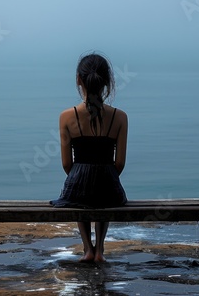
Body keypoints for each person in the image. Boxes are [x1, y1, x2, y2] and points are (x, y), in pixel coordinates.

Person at [50, 52, 128, 263]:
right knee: (103, 191)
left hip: (78, 187)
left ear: (78, 80)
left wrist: (80, 175)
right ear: (107, 81)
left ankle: (87, 248)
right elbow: (119, 163)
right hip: (109, 189)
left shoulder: (67, 116)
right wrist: (106, 174)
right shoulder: (120, 117)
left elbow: (67, 163)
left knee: (77, 192)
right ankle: (100, 249)